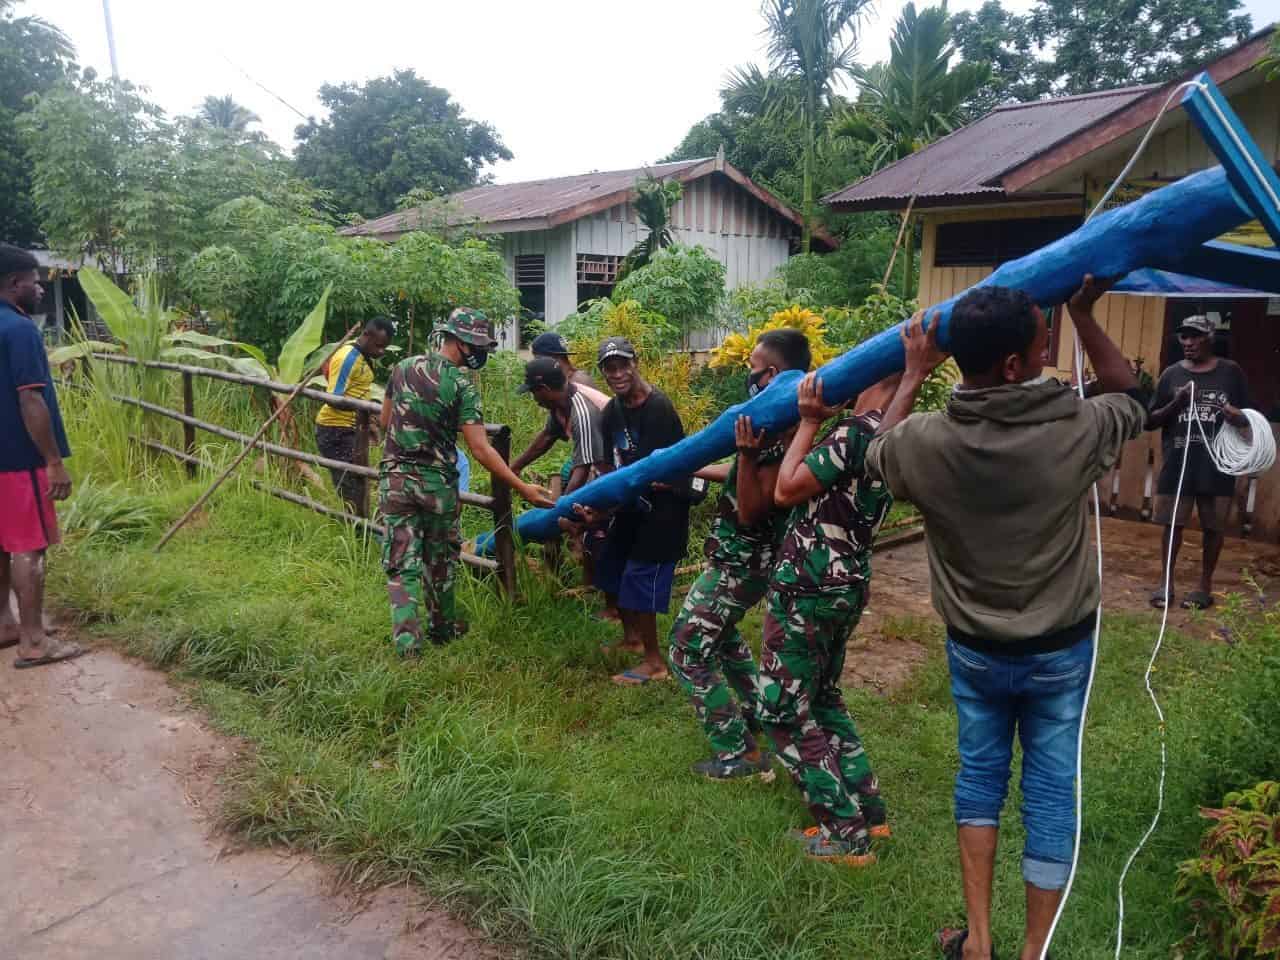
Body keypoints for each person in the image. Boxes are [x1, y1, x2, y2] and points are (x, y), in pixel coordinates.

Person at [864, 278, 1145, 960]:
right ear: (1017, 365)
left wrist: (913, 372)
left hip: (976, 651)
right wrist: (1084, 311)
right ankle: (1031, 954)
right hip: (1060, 651)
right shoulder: (1075, 427)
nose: (1050, 347)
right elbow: (1129, 392)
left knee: (980, 781)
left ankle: (980, 945)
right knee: (1049, 790)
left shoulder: (927, 443)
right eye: (1043, 341)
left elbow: (878, 454)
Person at [757, 367, 899, 865]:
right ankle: (869, 811)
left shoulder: (855, 431)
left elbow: (785, 490)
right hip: (846, 583)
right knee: (823, 697)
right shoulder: (893, 433)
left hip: (808, 586)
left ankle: (844, 832)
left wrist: (808, 422)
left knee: (780, 709)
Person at [667, 329, 812, 781]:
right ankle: (755, 713)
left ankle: (739, 753)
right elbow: (740, 474)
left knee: (687, 648)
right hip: (742, 559)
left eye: (753, 366)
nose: (747, 373)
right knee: (724, 639)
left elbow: (751, 510)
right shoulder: (781, 421)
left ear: (771, 373)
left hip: (741, 562)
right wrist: (686, 467)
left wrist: (747, 456)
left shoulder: (775, 428)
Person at [378, 307, 554, 655]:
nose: (481, 355)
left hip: (395, 480)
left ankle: (407, 644)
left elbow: (386, 421)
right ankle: (442, 628)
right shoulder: (461, 386)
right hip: (437, 486)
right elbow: (479, 448)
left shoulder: (401, 369)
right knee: (441, 560)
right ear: (461, 343)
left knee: (401, 562)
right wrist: (522, 487)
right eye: (479, 347)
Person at [575, 337, 698, 685]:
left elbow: (649, 475)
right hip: (630, 504)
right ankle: (631, 640)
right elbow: (612, 468)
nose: (617, 373)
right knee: (612, 565)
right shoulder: (612, 411)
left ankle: (655, 661)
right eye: (609, 368)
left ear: (635, 363)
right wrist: (600, 507)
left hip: (663, 507)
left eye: (622, 364)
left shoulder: (658, 409)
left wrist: (605, 508)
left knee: (641, 579)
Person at [0, 244, 83, 669]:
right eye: (35, 282)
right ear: (15, 284)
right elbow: (31, 401)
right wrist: (53, 461)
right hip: (18, 457)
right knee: (30, 547)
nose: (38, 289)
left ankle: (5, 624)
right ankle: (33, 641)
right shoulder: (20, 331)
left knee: (2, 542)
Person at [1146, 313, 1250, 610]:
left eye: (1195, 336)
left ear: (1210, 338)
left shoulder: (1231, 372)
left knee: (1213, 527)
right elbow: (1150, 421)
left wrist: (1237, 416)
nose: (1188, 342)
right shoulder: (1171, 374)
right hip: (1178, 463)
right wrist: (1176, 404)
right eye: (1184, 337)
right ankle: (1165, 584)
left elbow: (1250, 416)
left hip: (1217, 463)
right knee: (1172, 525)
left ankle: (1204, 586)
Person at [315, 316, 394, 513]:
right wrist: (364, 411)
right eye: (378, 346)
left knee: (358, 482)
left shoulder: (362, 354)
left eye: (384, 347)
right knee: (350, 487)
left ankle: (358, 528)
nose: (381, 351)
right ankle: (356, 531)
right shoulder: (347, 358)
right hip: (334, 430)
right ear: (366, 335)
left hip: (352, 429)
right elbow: (333, 398)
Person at [514, 356, 610, 497]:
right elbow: (547, 436)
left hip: (622, 470)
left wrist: (560, 509)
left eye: (534, 393)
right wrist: (516, 467)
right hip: (602, 466)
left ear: (544, 389)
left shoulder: (583, 411)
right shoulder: (561, 401)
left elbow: (583, 470)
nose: (535, 399)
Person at [530, 331, 599, 390]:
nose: (537, 365)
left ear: (555, 358)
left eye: (538, 360)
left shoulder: (577, 383)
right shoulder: (562, 380)